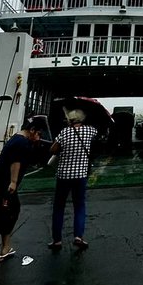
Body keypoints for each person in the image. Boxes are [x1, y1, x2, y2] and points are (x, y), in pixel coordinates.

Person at [0, 117, 46, 264]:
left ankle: (6, 247)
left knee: (12, 210)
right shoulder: (21, 142)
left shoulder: (17, 139)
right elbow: (16, 162)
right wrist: (13, 182)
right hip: (0, 184)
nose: (39, 137)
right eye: (38, 133)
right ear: (32, 130)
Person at [49, 106, 98, 251]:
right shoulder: (90, 131)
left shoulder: (64, 132)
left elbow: (53, 149)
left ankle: (57, 240)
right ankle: (78, 236)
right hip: (81, 175)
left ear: (69, 120)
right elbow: (96, 136)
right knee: (79, 206)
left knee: (59, 207)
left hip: (63, 175)